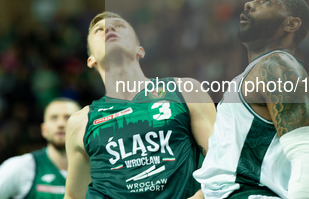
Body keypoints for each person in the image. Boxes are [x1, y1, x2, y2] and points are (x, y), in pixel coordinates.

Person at [193, 0, 309, 198]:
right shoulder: (271, 78)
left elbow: (307, 161)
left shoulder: (278, 67)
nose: (249, 4)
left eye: (266, 1)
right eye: (254, 0)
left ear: (291, 24)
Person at [64, 12, 216, 199]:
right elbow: (73, 196)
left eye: (119, 25)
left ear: (140, 50)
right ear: (91, 60)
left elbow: (223, 161)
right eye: (99, 30)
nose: (109, 29)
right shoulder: (81, 122)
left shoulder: (185, 90)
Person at [0, 98, 81, 199]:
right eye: (54, 118)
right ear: (44, 130)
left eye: (68, 117)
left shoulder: (96, 170)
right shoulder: (22, 166)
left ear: (82, 127)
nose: (61, 124)